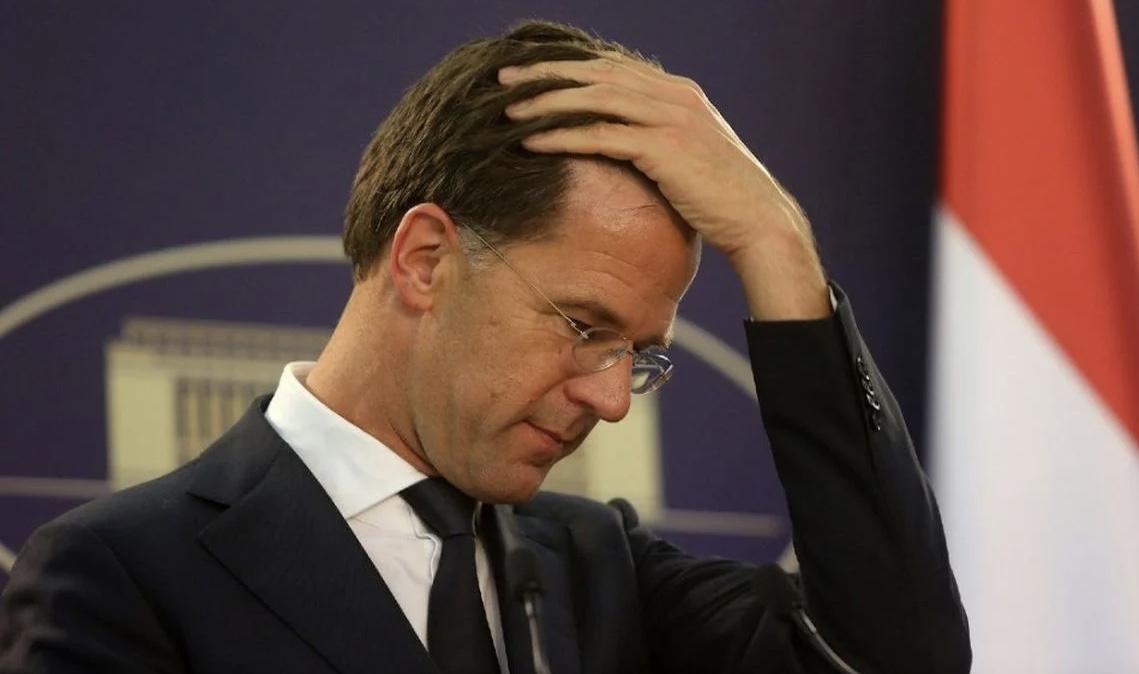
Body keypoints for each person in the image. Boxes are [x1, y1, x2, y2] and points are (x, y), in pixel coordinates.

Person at [0, 20, 970, 674]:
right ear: (425, 259)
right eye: (584, 327)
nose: (611, 400)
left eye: (637, 354)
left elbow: (898, 656)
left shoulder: (598, 567)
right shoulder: (124, 573)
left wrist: (775, 243)